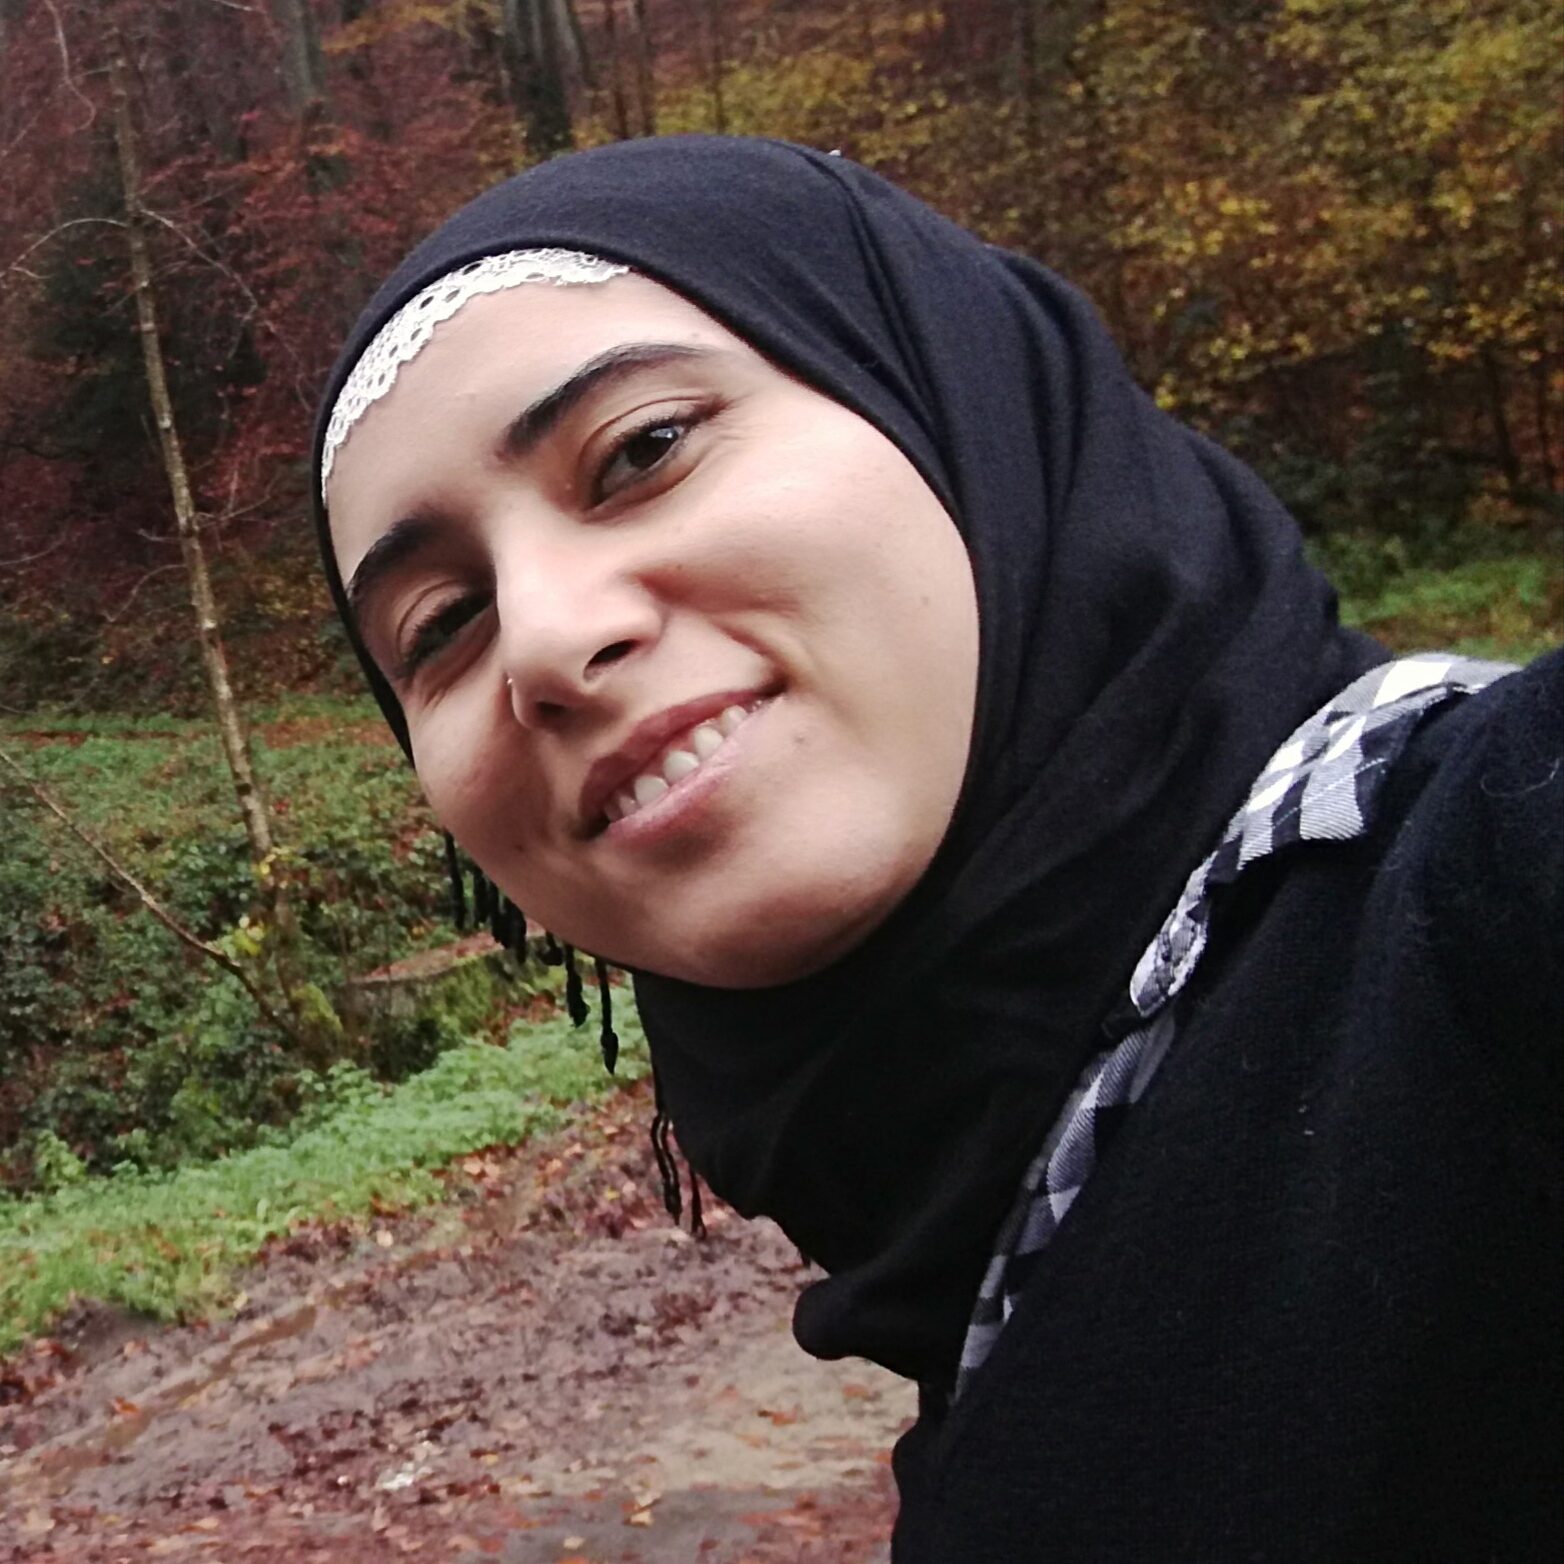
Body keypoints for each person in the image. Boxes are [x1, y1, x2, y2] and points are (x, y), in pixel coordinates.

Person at [312, 137, 1561, 1559]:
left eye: (644, 449)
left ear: (961, 411)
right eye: (440, 626)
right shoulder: (983, 1298)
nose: (542, 637)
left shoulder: (1492, 884)